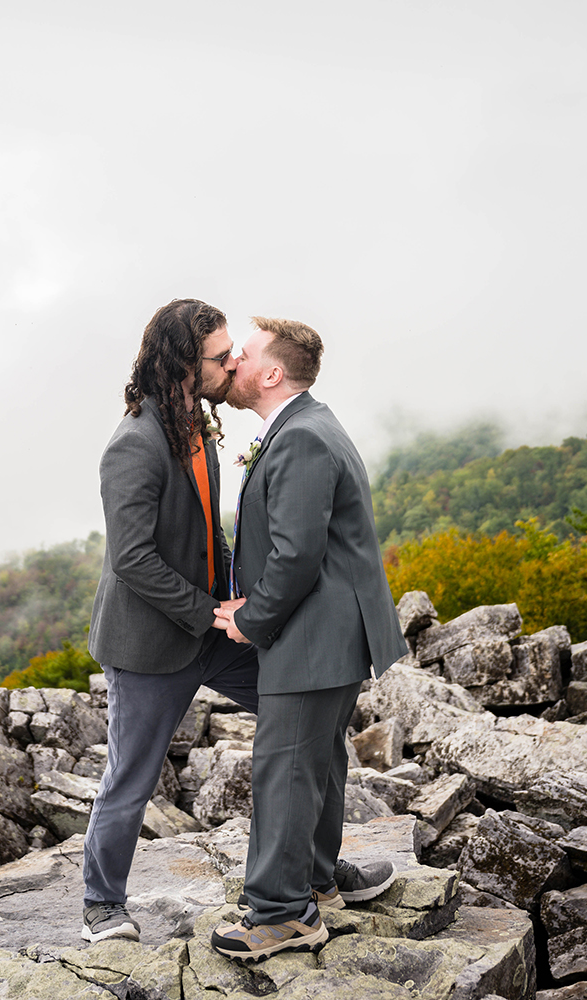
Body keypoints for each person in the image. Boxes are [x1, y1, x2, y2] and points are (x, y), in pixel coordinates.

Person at [209, 317, 410, 962]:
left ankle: (280, 913)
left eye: (243, 354)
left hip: (313, 630)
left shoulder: (301, 438)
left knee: (285, 768)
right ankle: (316, 883)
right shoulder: (306, 425)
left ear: (272, 374)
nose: (233, 362)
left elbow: (296, 556)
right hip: (331, 627)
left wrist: (251, 618)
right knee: (317, 758)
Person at [80, 297, 257, 943]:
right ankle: (101, 905)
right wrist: (211, 612)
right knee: (129, 779)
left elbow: (212, 534)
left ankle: (313, 869)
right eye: (219, 356)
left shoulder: (202, 426)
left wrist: (242, 602)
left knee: (303, 708)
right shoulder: (133, 445)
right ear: (184, 363)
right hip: (151, 643)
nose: (232, 363)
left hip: (215, 628)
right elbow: (131, 560)